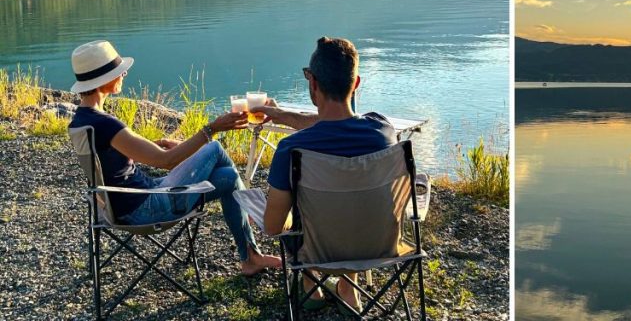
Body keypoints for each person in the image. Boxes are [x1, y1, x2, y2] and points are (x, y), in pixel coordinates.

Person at [67, 40, 281, 276]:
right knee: (215, 148)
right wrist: (211, 128)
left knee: (229, 177)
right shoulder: (106, 124)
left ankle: (251, 256)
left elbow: (114, 164)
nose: (124, 74)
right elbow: (165, 161)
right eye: (119, 71)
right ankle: (250, 210)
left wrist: (158, 146)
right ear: (103, 80)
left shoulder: (83, 120)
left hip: (121, 204)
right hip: (146, 207)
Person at [255, 36, 396, 310]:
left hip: (314, 252)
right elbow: (334, 123)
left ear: (313, 83)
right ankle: (348, 287)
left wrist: (261, 211)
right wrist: (282, 114)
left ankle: (311, 285)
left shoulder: (291, 151)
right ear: (355, 84)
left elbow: (272, 228)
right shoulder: (384, 132)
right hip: (379, 245)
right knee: (353, 199)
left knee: (284, 213)